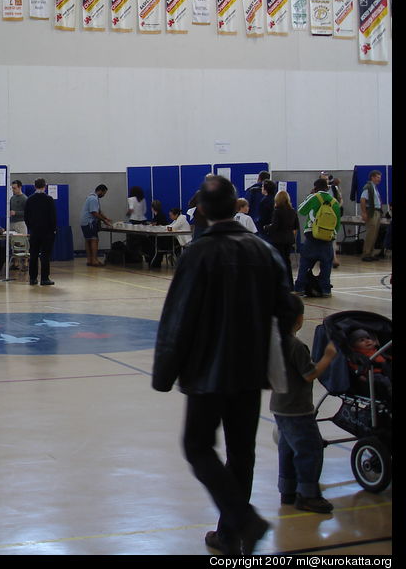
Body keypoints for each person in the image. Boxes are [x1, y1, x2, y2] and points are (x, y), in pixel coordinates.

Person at [153, 175, 297, 556]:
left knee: (198, 446)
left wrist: (165, 373)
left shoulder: (197, 254)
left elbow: (178, 318)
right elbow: (289, 308)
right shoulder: (262, 251)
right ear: (237, 207)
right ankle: (230, 533)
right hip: (250, 371)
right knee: (241, 452)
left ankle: (242, 520)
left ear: (200, 210)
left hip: (207, 373)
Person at [271, 294, 338, 514]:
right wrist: (327, 357)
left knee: (287, 448)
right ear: (299, 319)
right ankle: (308, 494)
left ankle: (287, 489)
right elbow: (310, 375)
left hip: (280, 405)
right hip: (298, 409)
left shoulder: (273, 342)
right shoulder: (296, 346)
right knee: (310, 449)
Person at [294, 178, 341, 299]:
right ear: (327, 188)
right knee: (326, 265)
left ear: (315, 188)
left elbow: (301, 210)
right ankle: (325, 290)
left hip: (312, 235)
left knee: (305, 263)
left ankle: (299, 288)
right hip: (327, 238)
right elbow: (337, 223)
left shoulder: (314, 197)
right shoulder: (334, 201)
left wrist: (310, 196)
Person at [24, 178, 57, 285]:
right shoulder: (49, 199)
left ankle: (32, 278)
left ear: (34, 186)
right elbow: (53, 217)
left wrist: (31, 227)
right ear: (45, 186)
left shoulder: (29, 199)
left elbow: (26, 217)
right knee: (45, 256)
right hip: (47, 232)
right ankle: (44, 278)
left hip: (34, 231)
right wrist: (53, 229)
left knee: (33, 255)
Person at [346, 329, 393, 401]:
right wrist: (359, 375)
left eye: (368, 338)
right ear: (354, 345)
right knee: (383, 380)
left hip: (384, 371)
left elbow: (386, 358)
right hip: (371, 374)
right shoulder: (357, 356)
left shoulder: (377, 350)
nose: (367, 341)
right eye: (361, 340)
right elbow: (354, 367)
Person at [267, 190, 298, 289]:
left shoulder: (277, 211)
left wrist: (266, 227)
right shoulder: (292, 211)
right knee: (287, 261)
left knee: (279, 261)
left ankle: (279, 284)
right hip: (289, 239)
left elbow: (275, 226)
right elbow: (296, 226)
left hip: (278, 239)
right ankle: (290, 284)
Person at [80, 185, 112, 267]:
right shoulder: (93, 199)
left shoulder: (91, 197)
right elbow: (94, 212)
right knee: (94, 239)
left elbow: (99, 211)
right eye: (104, 193)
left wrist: (106, 218)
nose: (104, 195)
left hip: (85, 222)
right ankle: (94, 260)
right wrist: (104, 221)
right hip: (89, 222)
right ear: (101, 191)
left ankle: (89, 260)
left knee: (88, 240)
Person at [359, 170, 384, 262]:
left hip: (377, 212)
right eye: (377, 177)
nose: (379, 179)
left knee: (375, 234)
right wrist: (364, 212)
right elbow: (363, 199)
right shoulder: (368, 187)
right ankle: (366, 253)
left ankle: (371, 253)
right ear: (372, 177)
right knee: (370, 233)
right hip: (372, 212)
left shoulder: (374, 188)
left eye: (380, 177)